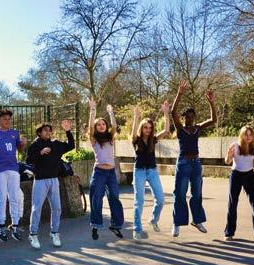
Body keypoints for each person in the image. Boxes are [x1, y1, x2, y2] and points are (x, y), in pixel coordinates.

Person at [170, 80, 217, 237]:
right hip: (183, 163)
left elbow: (213, 120)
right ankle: (177, 223)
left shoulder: (197, 128)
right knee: (180, 193)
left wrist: (211, 103)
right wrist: (179, 94)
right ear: (183, 118)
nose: (190, 118)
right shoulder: (180, 129)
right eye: (187, 116)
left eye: (192, 116)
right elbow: (173, 112)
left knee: (197, 193)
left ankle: (197, 220)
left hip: (196, 163)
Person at [26, 120, 75, 249]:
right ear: (39, 132)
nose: (48, 132)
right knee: (37, 208)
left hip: (54, 180)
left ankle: (54, 233)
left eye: (50, 130)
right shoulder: (35, 145)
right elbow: (29, 160)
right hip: (40, 181)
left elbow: (71, 146)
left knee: (57, 208)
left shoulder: (56, 144)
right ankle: (33, 234)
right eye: (45, 130)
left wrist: (68, 131)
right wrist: (40, 153)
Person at [131, 101, 171, 240]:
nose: (147, 130)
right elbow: (133, 132)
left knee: (160, 199)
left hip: (152, 171)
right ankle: (137, 229)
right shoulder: (136, 140)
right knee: (139, 201)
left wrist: (166, 113)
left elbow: (166, 131)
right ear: (141, 128)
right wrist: (136, 117)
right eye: (145, 127)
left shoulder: (153, 139)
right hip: (139, 172)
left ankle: (153, 220)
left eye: (149, 128)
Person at [0, 109, 27, 242]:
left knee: (14, 197)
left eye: (9, 119)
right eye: (4, 119)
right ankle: (1, 226)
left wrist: (23, 144)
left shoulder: (15, 133)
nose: (7, 121)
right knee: (1, 198)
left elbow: (20, 149)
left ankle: (15, 225)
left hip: (13, 168)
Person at [223, 126, 254, 241]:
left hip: (249, 176)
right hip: (236, 175)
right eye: (246, 134)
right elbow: (227, 161)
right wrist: (228, 154)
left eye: (250, 135)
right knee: (232, 204)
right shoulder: (235, 146)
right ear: (241, 135)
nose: (248, 137)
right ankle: (229, 233)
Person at [88, 101, 125, 240]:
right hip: (99, 173)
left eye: (103, 124)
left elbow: (114, 126)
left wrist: (111, 113)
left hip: (111, 173)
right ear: (96, 127)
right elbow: (90, 127)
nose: (101, 126)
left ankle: (115, 225)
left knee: (114, 197)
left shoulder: (110, 138)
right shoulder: (94, 139)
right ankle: (95, 225)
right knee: (96, 198)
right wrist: (92, 111)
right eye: (98, 124)